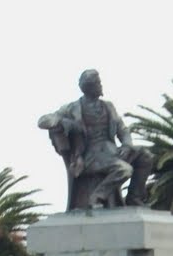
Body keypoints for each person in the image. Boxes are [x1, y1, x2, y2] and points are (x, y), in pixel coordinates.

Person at [38, 69, 153, 211]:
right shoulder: (73, 108)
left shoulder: (108, 106)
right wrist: (62, 122)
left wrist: (127, 145)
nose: (101, 86)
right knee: (124, 169)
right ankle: (97, 197)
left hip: (112, 151)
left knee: (146, 156)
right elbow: (44, 121)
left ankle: (134, 197)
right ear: (89, 87)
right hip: (90, 156)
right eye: (98, 83)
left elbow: (122, 130)